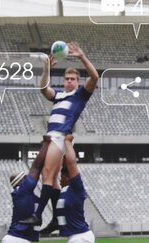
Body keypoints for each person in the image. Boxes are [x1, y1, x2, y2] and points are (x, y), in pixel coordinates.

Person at [20, 42, 99, 226]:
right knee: (53, 181)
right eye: (67, 78)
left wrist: (82, 57)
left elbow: (95, 77)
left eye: (72, 79)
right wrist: (46, 69)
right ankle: (55, 219)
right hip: (51, 137)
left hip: (60, 136)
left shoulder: (80, 95)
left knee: (47, 174)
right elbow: (43, 89)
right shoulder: (59, 95)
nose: (69, 81)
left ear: (77, 81)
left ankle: (38, 215)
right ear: (63, 81)